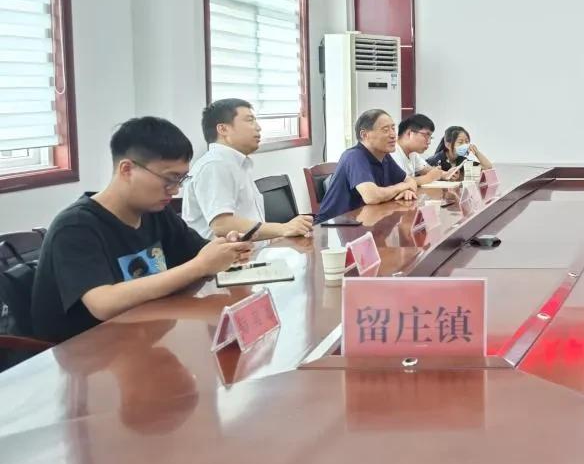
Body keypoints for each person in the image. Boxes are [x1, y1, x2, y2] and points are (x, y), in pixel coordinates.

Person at [31, 117, 252, 343]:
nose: (175, 190)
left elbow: (199, 252)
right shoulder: (76, 227)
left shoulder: (156, 212)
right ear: (127, 169)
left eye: (181, 179)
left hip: (145, 335)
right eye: (169, 179)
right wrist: (200, 266)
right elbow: (103, 303)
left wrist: (226, 250)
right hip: (86, 352)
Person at [182, 98, 314, 240]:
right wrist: (283, 228)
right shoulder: (215, 165)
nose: (258, 127)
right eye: (250, 120)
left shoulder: (235, 164)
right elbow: (222, 224)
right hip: (226, 254)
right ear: (223, 129)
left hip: (253, 251)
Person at [317, 109, 420, 220]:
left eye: (393, 128)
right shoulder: (354, 156)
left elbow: (411, 181)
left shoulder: (384, 157)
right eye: (385, 130)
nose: (393, 135)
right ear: (364, 135)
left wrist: (406, 190)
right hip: (334, 226)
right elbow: (371, 196)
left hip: (365, 221)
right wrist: (402, 186)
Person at [392, 113, 452, 184]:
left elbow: (426, 169)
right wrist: (428, 178)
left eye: (430, 137)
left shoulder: (412, 153)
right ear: (409, 133)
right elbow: (398, 181)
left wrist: (446, 174)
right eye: (426, 136)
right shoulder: (392, 152)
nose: (429, 142)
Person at [427, 125, 493, 173]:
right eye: (460, 142)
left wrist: (476, 152)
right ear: (448, 145)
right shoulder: (435, 161)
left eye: (467, 142)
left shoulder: (461, 160)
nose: (465, 145)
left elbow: (487, 167)